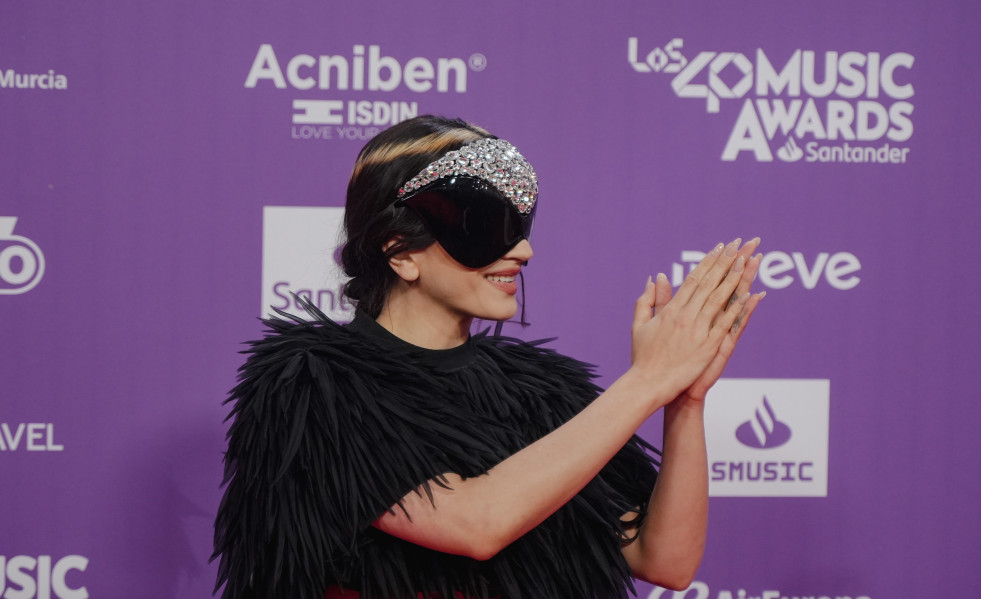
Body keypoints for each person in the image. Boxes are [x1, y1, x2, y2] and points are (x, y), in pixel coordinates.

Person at [212, 115, 765, 599]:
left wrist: (683, 400)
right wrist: (646, 380)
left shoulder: (544, 393)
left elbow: (664, 561)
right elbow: (477, 523)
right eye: (486, 227)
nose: (523, 250)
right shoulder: (311, 384)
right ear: (401, 253)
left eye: (520, 226)